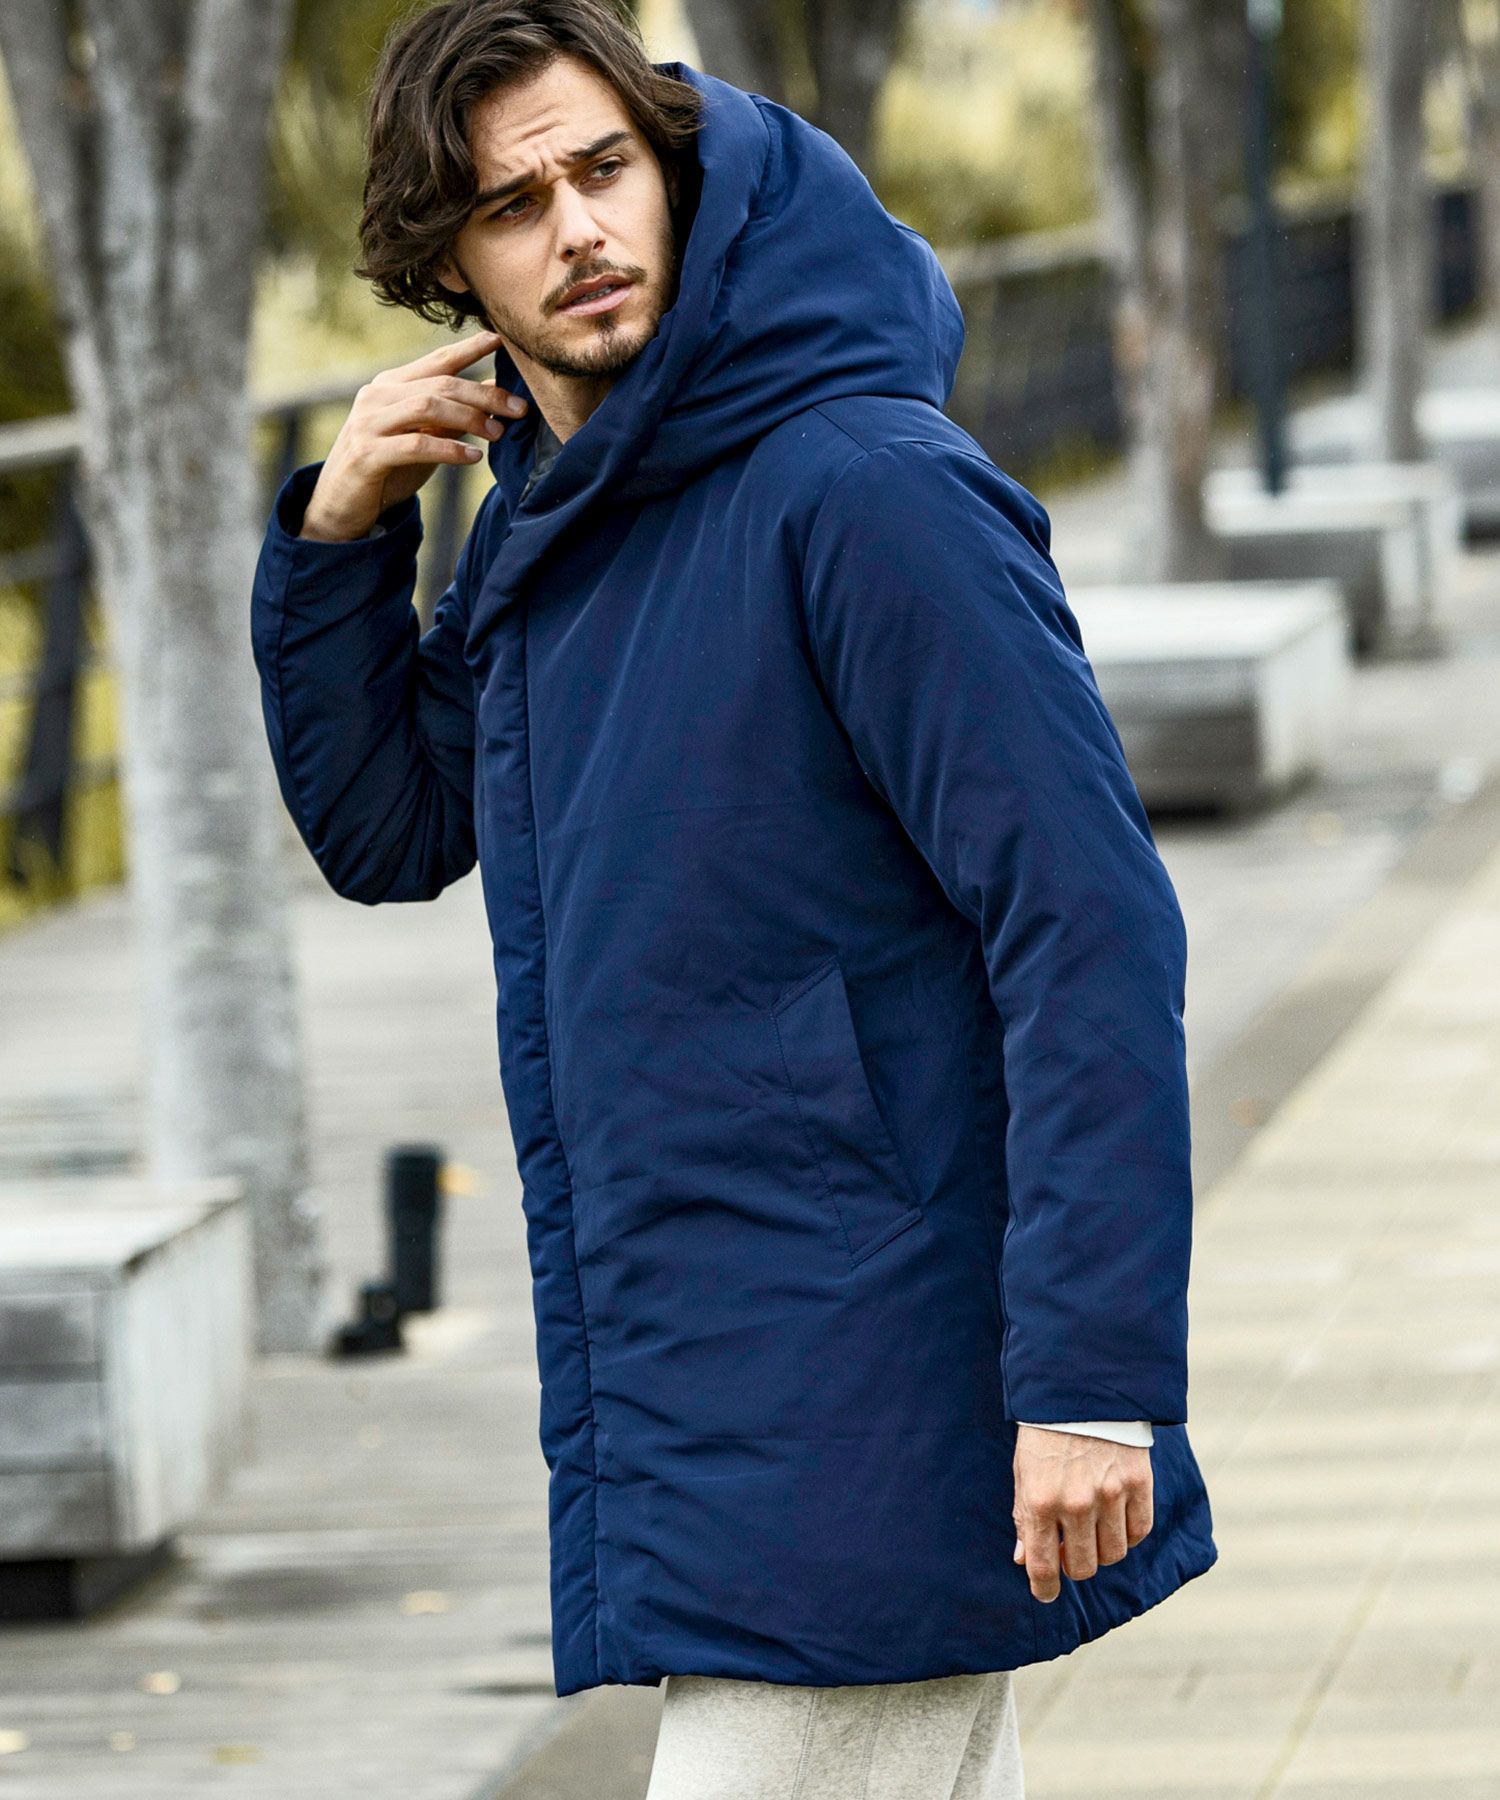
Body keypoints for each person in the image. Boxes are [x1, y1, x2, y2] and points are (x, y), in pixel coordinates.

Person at [248, 2, 1217, 1792]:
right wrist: (340, 537)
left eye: (603, 170)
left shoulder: (867, 491)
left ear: (675, 169)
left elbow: (1088, 925)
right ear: (449, 267)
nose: (579, 231)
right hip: (707, 1369)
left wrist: (1095, 1381)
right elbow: (395, 828)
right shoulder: (559, 518)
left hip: (870, 1376)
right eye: (513, 205)